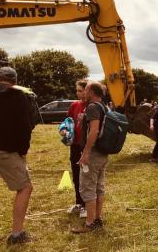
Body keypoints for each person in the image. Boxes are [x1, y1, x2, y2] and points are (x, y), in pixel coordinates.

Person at [0, 67, 33, 244]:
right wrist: (22, 151)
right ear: (14, 80)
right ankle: (16, 234)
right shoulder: (18, 97)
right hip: (5, 151)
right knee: (25, 188)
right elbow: (24, 127)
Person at [72, 81, 109, 234]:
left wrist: (86, 153)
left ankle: (90, 223)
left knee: (88, 187)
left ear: (92, 92)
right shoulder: (103, 106)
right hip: (102, 153)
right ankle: (97, 219)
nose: (83, 93)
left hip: (93, 154)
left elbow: (93, 131)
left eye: (85, 90)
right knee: (99, 187)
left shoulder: (93, 107)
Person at [65, 80, 89, 219]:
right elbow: (68, 121)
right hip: (75, 145)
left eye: (81, 90)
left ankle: (87, 204)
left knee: (86, 175)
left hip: (86, 146)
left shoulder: (92, 106)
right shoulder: (74, 105)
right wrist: (65, 130)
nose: (78, 93)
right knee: (76, 174)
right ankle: (79, 202)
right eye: (77, 90)